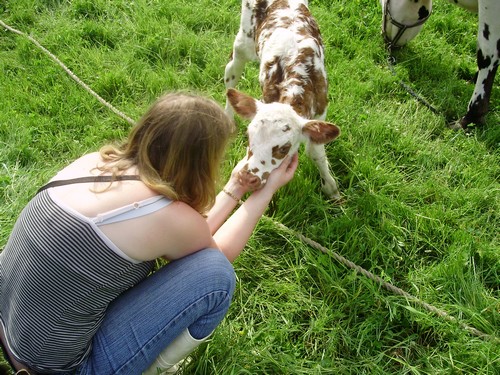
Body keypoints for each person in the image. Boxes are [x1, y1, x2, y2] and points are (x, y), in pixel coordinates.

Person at [0, 92, 299, 374]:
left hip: (8, 325)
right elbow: (213, 256)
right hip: (58, 368)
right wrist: (265, 191)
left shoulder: (94, 162)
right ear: (199, 163)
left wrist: (235, 187)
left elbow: (189, 237)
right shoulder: (165, 217)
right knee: (218, 276)